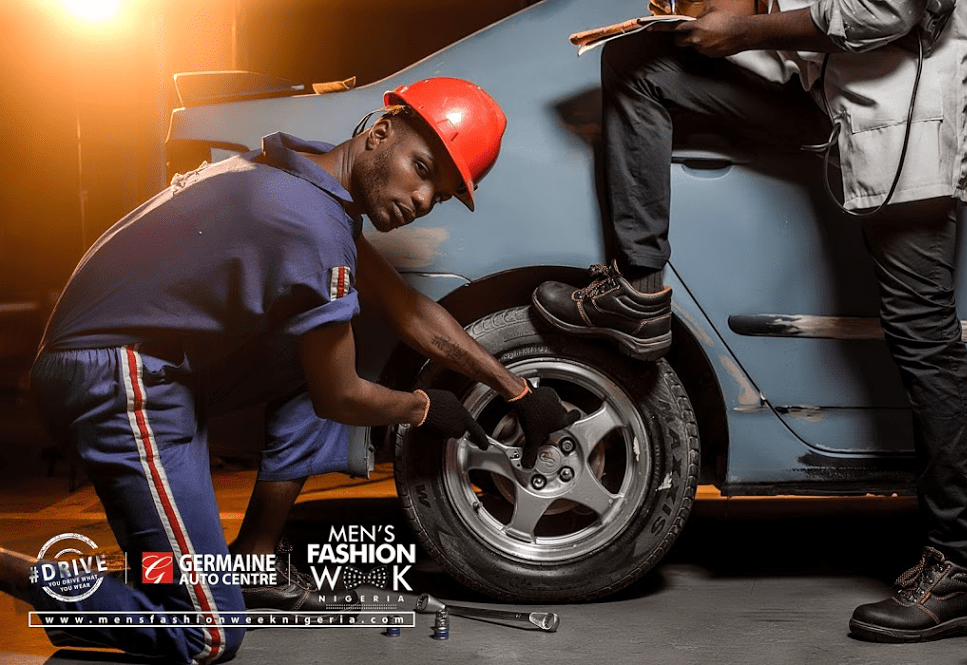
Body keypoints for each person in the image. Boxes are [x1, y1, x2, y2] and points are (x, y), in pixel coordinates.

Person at [0, 77, 577, 663]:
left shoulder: (309, 175)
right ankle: (29, 578)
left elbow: (406, 309)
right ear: (380, 133)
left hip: (147, 364)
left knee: (322, 348)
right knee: (208, 635)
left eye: (442, 195)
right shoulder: (311, 226)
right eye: (422, 169)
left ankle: (254, 556)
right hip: (115, 378)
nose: (424, 199)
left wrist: (517, 390)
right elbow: (339, 398)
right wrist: (424, 408)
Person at [532, 0, 967, 643]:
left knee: (923, 335)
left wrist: (743, 32)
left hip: (908, 122)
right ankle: (638, 290)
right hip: (838, 102)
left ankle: (962, 564)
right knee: (639, 63)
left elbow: (884, 11)